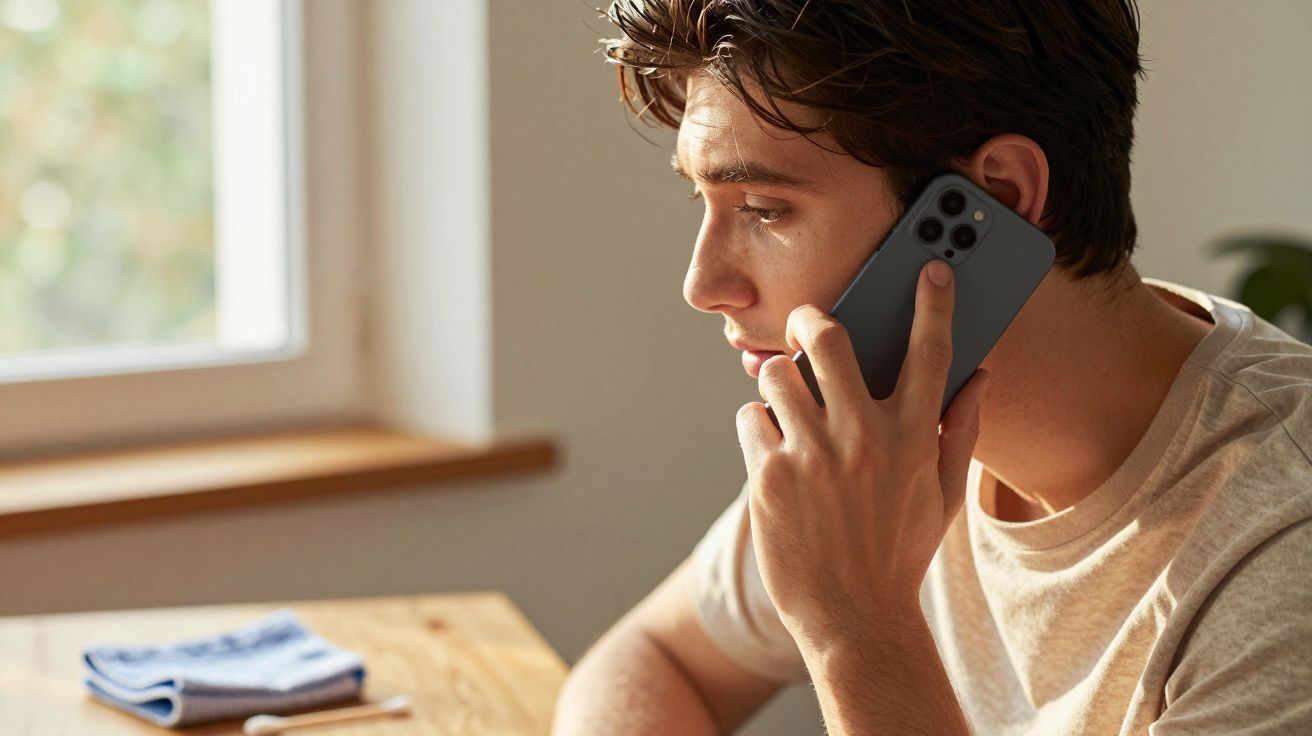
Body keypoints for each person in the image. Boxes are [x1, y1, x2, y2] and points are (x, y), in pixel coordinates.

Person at [552, 1, 1312, 733]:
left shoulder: (1285, 554)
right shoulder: (884, 441)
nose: (703, 286)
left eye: (763, 207)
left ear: (997, 198)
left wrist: (855, 623)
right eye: (704, 200)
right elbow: (654, 660)